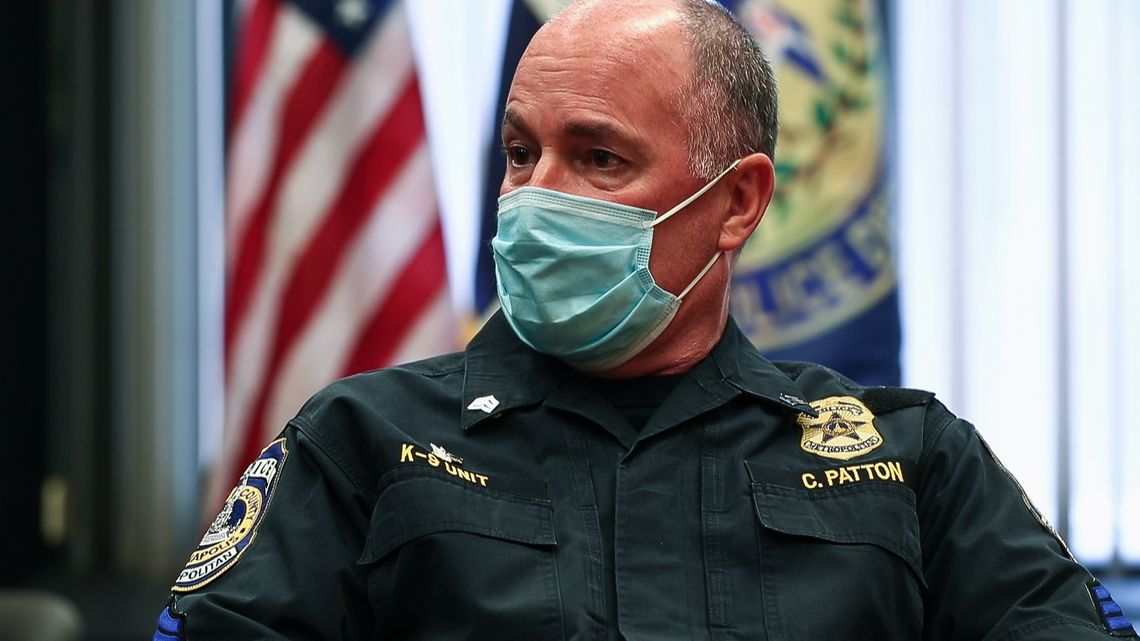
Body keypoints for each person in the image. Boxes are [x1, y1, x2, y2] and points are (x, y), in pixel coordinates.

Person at [155, 1, 1137, 639]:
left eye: (599, 159)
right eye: (518, 152)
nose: (536, 196)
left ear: (738, 203)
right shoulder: (365, 440)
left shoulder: (910, 457)